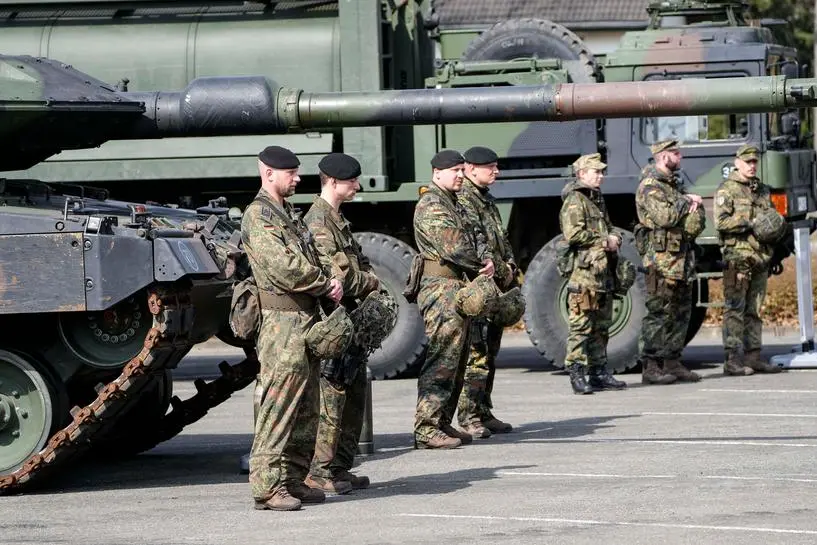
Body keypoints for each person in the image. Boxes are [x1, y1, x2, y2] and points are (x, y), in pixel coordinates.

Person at [244, 145, 344, 511]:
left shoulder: (288, 214)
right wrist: (323, 282)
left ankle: (292, 479)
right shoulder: (259, 216)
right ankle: (267, 486)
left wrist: (331, 277)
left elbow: (316, 254)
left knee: (306, 406)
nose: (298, 179)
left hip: (305, 318)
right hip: (282, 323)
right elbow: (284, 267)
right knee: (279, 404)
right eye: (292, 173)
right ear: (269, 173)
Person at [303, 153, 381, 494]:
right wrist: (371, 283)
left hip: (351, 320)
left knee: (354, 394)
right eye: (352, 181)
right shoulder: (318, 222)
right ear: (333, 182)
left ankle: (340, 467)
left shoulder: (337, 219)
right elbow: (342, 278)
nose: (357, 186)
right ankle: (320, 470)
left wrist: (365, 279)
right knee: (332, 395)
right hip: (334, 320)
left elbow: (358, 265)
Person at [412, 149, 495, 449]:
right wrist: (479, 262)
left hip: (458, 285)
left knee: (458, 358)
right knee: (442, 357)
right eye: (455, 171)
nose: (460, 175)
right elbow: (455, 246)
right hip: (440, 287)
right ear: (437, 173)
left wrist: (486, 258)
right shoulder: (431, 204)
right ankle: (426, 426)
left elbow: (479, 236)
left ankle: (443, 422)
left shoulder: (457, 203)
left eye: (462, 170)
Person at [455, 146, 516, 438]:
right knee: (476, 353)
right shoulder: (464, 201)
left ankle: (483, 410)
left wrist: (511, 266)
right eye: (490, 167)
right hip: (479, 288)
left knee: (490, 351)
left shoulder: (485, 200)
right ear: (470, 168)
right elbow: (477, 249)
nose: (496, 172)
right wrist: (500, 269)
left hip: (496, 287)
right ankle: (468, 416)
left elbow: (500, 241)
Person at [634, 139, 704, 385]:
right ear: (663, 157)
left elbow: (686, 221)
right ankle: (651, 366)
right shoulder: (650, 186)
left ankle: (673, 361)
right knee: (659, 313)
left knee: (681, 311)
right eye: (675, 153)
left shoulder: (673, 186)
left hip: (681, 259)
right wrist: (688, 201)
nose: (680, 156)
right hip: (660, 262)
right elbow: (665, 217)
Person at [558, 153, 628, 394]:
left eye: (601, 171)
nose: (601, 175)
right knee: (581, 326)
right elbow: (573, 234)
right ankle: (577, 373)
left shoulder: (595, 199)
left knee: (601, 325)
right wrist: (604, 239)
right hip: (584, 275)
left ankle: (599, 372)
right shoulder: (576, 200)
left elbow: (607, 227)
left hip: (601, 273)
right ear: (581, 174)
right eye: (596, 172)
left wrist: (615, 237)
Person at [714, 144, 784, 376]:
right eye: (747, 162)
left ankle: (754, 357)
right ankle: (732, 360)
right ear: (737, 163)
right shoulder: (727, 190)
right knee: (735, 308)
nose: (752, 166)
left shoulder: (762, 190)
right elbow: (721, 222)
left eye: (754, 162)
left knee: (755, 309)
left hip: (760, 257)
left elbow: (772, 218)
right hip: (738, 258)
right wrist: (751, 220)